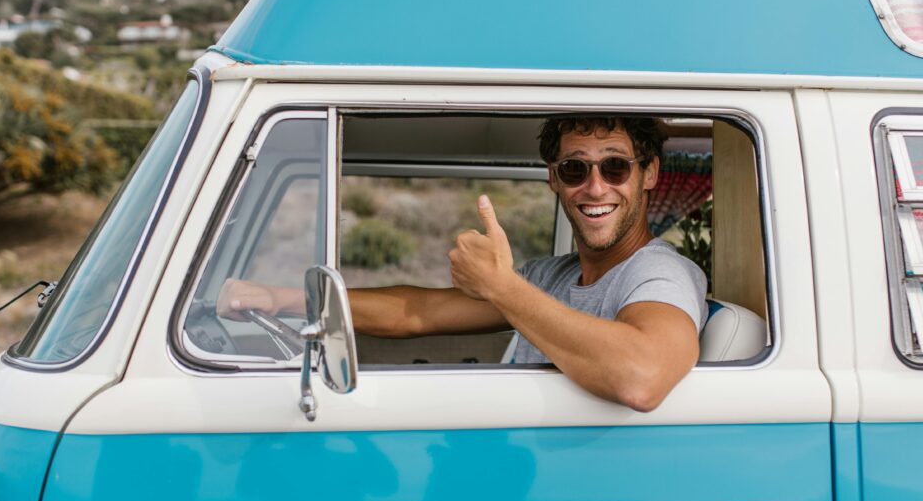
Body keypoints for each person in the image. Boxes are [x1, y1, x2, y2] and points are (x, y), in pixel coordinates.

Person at [217, 116, 707, 412]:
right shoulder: (551, 277)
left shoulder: (659, 274)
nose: (595, 187)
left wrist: (501, 286)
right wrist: (280, 299)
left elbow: (641, 378)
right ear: (555, 181)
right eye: (575, 169)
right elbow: (417, 312)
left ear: (649, 175)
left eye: (615, 166)